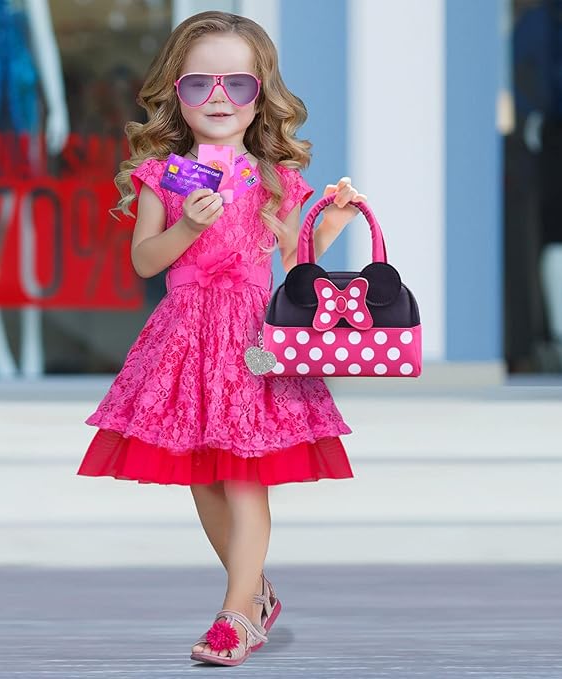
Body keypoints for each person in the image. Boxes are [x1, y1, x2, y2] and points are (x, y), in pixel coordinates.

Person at [76, 10, 366, 667]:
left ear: (260, 96)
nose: (217, 97)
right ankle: (255, 590)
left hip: (251, 338)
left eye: (236, 84)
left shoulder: (273, 177)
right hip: (183, 336)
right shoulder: (163, 174)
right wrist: (187, 227)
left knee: (243, 476)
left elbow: (292, 265)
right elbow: (144, 260)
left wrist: (329, 225)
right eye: (198, 83)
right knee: (201, 478)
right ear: (174, 92)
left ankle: (236, 611)